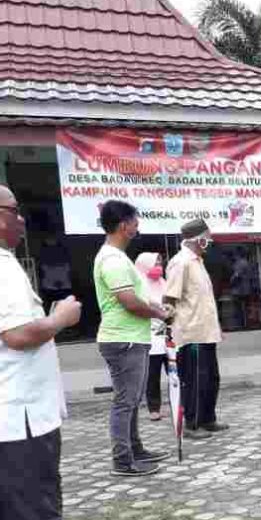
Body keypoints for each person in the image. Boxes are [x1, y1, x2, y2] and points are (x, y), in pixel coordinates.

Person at [0, 183, 126, 520]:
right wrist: (61, 319)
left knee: (2, 514)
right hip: (16, 414)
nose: (21, 219)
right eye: (13, 211)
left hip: (0, 414)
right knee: (35, 514)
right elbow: (18, 334)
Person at [93, 200, 171, 476]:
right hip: (123, 339)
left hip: (130, 338)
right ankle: (123, 460)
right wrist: (159, 314)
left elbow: (137, 297)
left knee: (132, 398)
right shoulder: (112, 259)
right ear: (124, 225)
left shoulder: (117, 257)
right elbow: (129, 301)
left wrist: (156, 307)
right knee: (125, 401)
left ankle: (135, 449)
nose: (138, 228)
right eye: (135, 222)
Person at [165, 219, 227, 437]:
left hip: (206, 332)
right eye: (207, 237)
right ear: (198, 239)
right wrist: (170, 331)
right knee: (195, 381)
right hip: (190, 334)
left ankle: (208, 418)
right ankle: (192, 424)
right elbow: (169, 299)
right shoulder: (180, 262)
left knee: (211, 378)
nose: (209, 241)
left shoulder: (197, 261)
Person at [135, 252, 167, 421]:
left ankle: (180, 403)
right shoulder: (138, 284)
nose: (159, 266)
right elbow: (141, 302)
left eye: (160, 262)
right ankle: (154, 408)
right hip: (150, 336)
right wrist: (157, 306)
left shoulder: (163, 282)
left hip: (167, 334)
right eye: (155, 263)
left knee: (176, 372)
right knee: (152, 375)